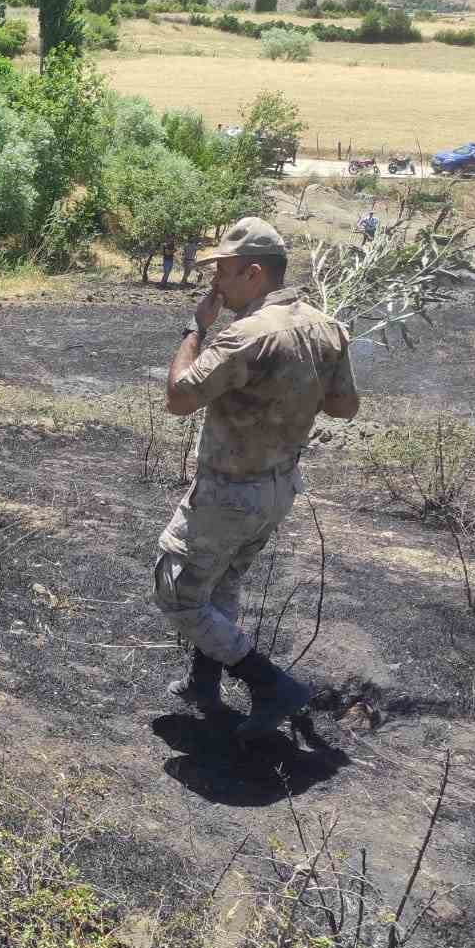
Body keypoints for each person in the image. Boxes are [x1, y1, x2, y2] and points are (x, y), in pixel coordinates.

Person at [152, 217, 360, 741]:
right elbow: (344, 406)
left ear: (252, 272)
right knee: (223, 583)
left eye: (221, 272)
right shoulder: (327, 327)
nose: (215, 285)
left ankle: (272, 685)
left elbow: (178, 398)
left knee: (177, 593)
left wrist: (195, 330)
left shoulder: (245, 336)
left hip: (228, 490)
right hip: (278, 488)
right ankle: (204, 684)